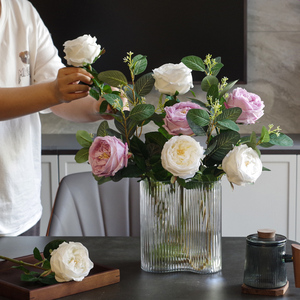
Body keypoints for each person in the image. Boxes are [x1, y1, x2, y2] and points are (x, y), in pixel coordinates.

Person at [0, 0, 113, 236]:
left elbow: (59, 96)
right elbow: (53, 91)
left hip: (18, 208)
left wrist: (98, 106)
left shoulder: (23, 11)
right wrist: (53, 92)